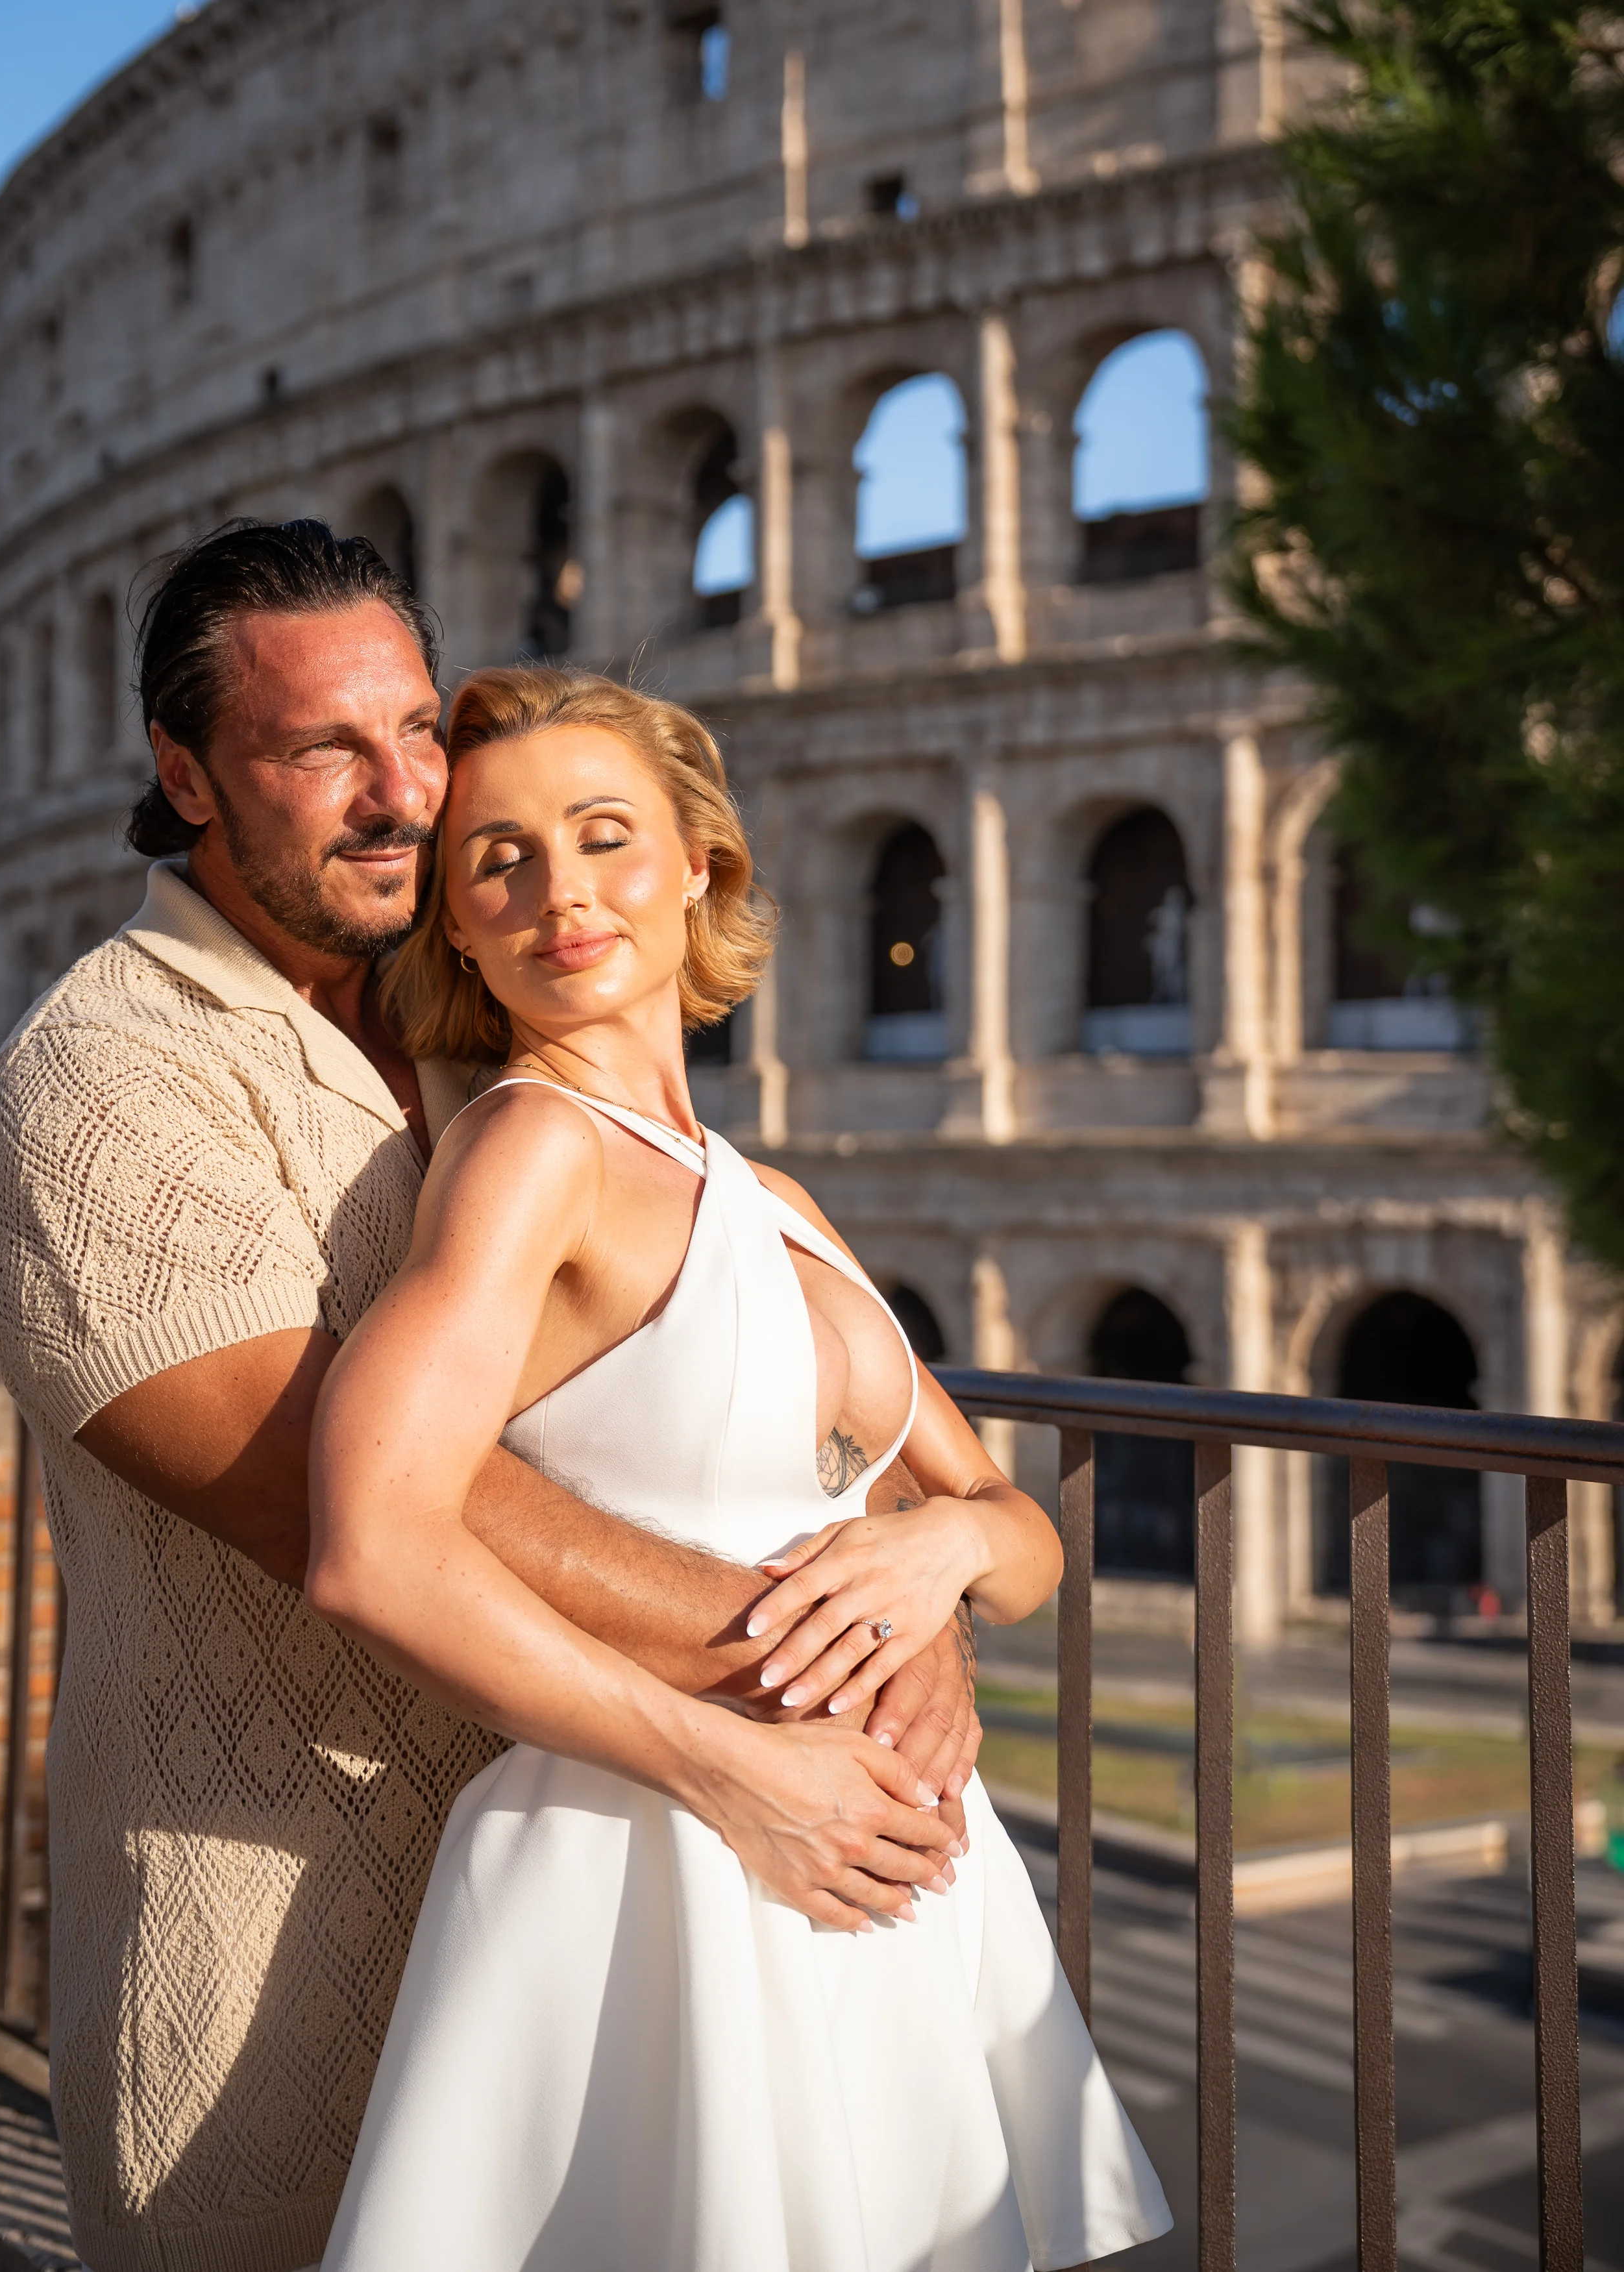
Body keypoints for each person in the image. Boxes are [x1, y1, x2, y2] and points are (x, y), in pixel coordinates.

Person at [0, 521, 981, 2272]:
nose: (399, 791)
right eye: (319, 747)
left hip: (637, 1934)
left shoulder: (483, 1042)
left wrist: (911, 1574)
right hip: (285, 1967)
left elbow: (762, 1388)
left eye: (415, 730)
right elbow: (369, 1507)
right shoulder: (90, 1094)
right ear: (185, 773)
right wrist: (831, 1658)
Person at [308, 668, 1173, 2271]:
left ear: (699, 867)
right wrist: (730, 1773)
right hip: (662, 1862)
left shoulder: (769, 1194)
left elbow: (1016, 1533)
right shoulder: (525, 1152)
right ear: (460, 927)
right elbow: (368, 1543)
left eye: (601, 836)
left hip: (885, 1856)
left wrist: (935, 1566)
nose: (556, 890)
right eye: (496, 859)